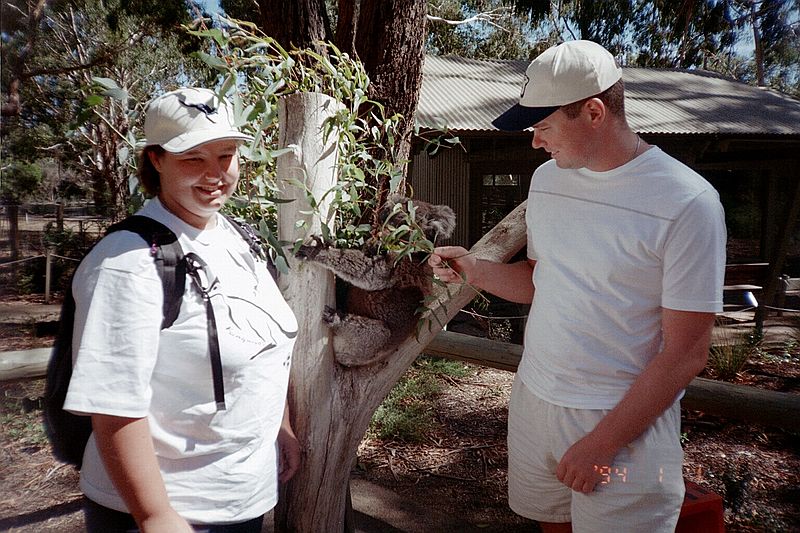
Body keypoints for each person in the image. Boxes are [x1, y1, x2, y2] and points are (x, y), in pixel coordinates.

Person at [430, 40, 726, 532]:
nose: (535, 142)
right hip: (535, 397)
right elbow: (540, 280)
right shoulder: (548, 181)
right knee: (552, 522)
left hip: (621, 424)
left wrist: (603, 442)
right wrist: (474, 270)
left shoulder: (688, 202)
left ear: (593, 112)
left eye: (543, 126)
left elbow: (687, 353)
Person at [64, 87, 300, 533]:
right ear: (156, 160)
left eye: (226, 155)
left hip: (242, 497)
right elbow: (114, 407)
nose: (215, 174)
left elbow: (263, 343)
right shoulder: (129, 261)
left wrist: (280, 426)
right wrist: (156, 516)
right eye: (193, 158)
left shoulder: (237, 238)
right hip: (169, 510)